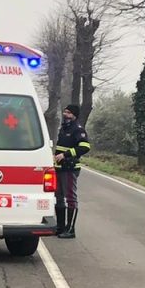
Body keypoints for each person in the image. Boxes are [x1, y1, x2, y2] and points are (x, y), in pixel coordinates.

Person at [53, 102, 91, 238]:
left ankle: (70, 230)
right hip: (59, 167)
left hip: (70, 168)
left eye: (68, 113)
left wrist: (65, 154)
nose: (65, 114)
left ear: (74, 115)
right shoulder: (64, 128)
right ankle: (60, 227)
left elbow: (85, 147)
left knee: (70, 198)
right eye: (65, 112)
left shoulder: (78, 129)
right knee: (58, 197)